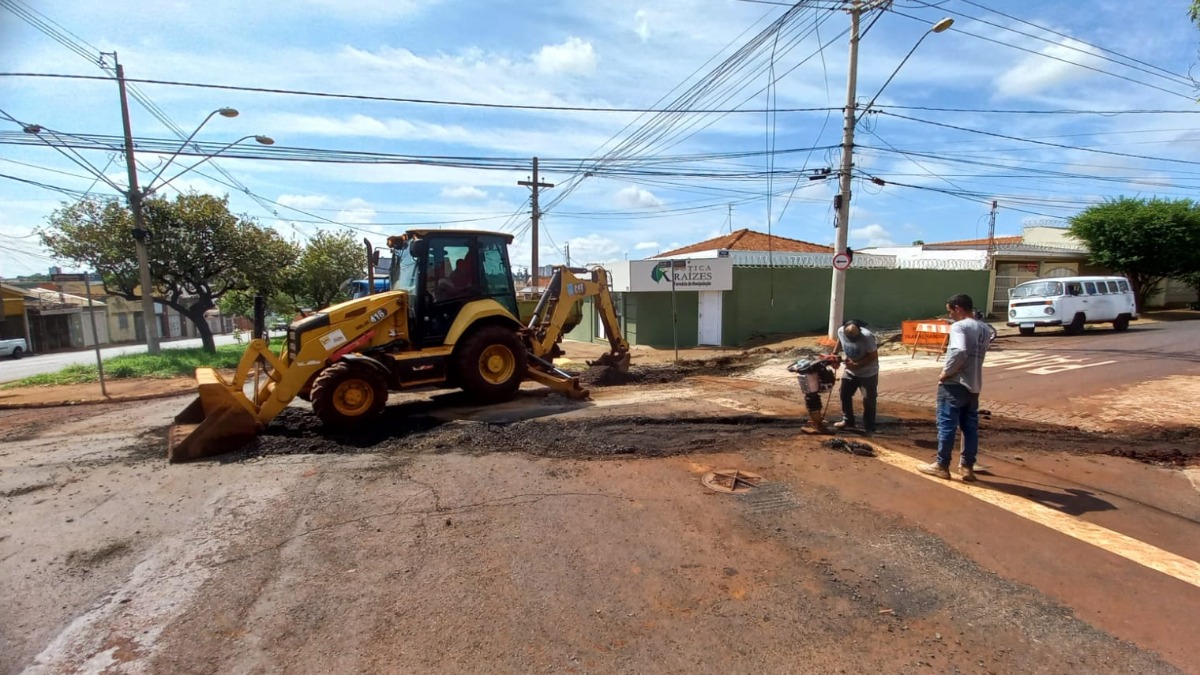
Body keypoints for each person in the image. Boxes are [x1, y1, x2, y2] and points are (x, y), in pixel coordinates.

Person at [918, 293, 990, 482]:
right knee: (970, 427)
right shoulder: (984, 328)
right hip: (973, 384)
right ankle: (967, 467)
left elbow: (959, 350)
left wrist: (947, 372)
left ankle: (942, 465)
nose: (950, 316)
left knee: (947, 425)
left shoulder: (959, 326)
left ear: (958, 308)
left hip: (955, 383)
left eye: (951, 311)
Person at [831, 318, 878, 435]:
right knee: (844, 394)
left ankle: (869, 426)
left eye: (855, 337)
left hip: (868, 373)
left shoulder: (867, 337)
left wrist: (856, 365)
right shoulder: (841, 331)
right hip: (850, 371)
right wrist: (834, 354)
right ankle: (848, 421)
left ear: (860, 330)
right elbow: (840, 341)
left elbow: (873, 355)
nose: (852, 339)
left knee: (869, 399)